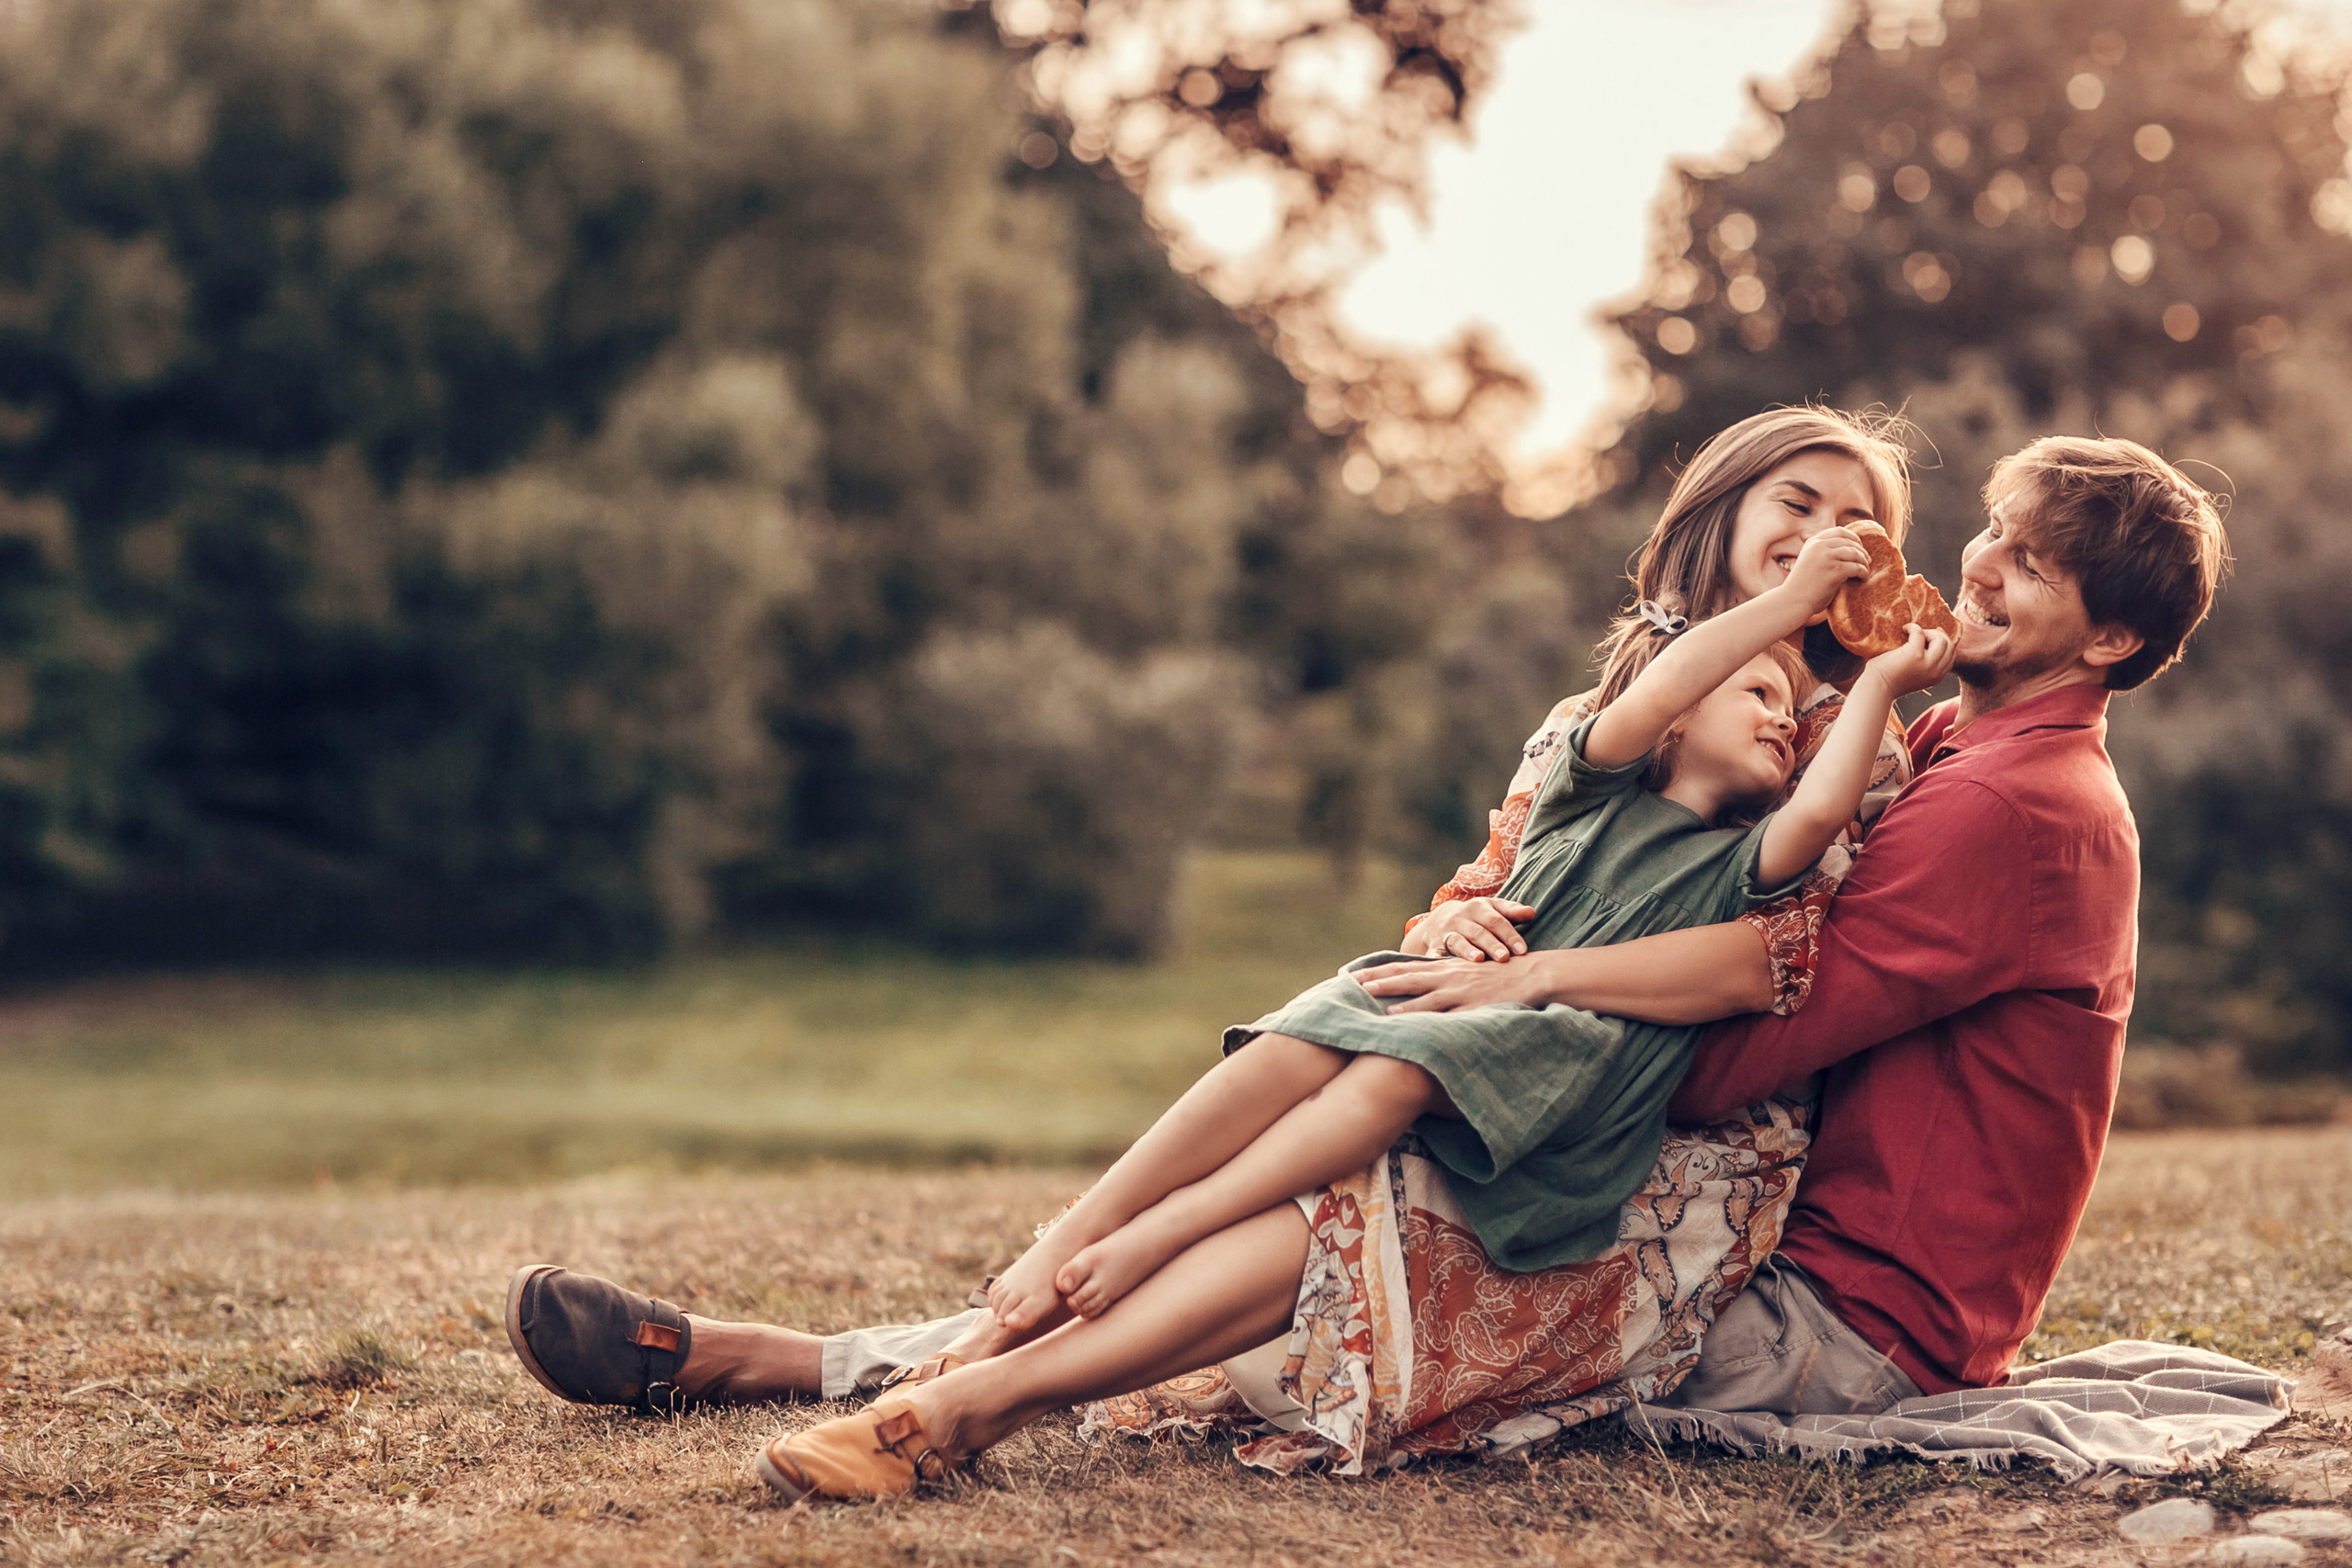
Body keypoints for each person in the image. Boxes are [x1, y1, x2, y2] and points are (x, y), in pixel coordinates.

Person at [503, 429, 2225, 1499]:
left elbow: (1760, 1015)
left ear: (2114, 632)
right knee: (1332, 1125)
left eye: (2026, 558)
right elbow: (1518, 858)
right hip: (1612, 1100)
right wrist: (1455, 941)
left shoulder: (1967, 784)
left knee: (1358, 1204)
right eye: (1986, 532)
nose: (1968, 564)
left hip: (1765, 1232)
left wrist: (1513, 1004)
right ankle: (876, 1354)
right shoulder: (1857, 728)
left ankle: (862, 1372)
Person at [980, 527, 1953, 1339]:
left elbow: (1818, 811)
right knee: (1307, 1029)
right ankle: (1084, 1226)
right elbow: (1662, 686)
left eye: (1788, 709)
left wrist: (1881, 680)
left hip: (1565, 1052)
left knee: (1391, 1073)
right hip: (1463, 1000)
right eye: (1757, 696)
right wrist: (1790, 604)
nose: (1783, 722)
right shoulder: (1586, 788)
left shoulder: (1737, 865)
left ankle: (1169, 1228)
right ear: (1672, 718)